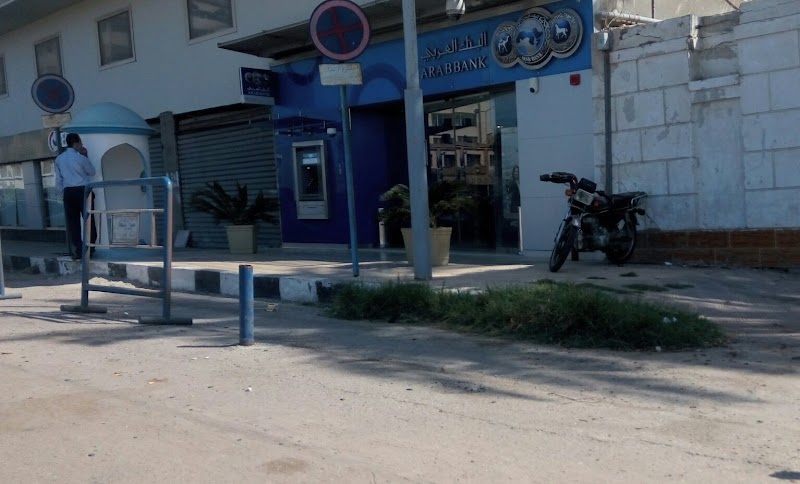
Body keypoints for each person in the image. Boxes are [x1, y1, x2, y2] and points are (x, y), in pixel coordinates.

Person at [55, 133, 96, 259]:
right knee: (88, 220)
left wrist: (63, 193)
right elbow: (92, 172)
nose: (82, 145)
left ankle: (79, 250)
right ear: (76, 143)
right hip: (83, 190)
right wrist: (86, 156)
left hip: (68, 192)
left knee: (73, 223)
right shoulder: (80, 158)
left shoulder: (59, 159)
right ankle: (90, 248)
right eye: (81, 143)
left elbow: (58, 180)